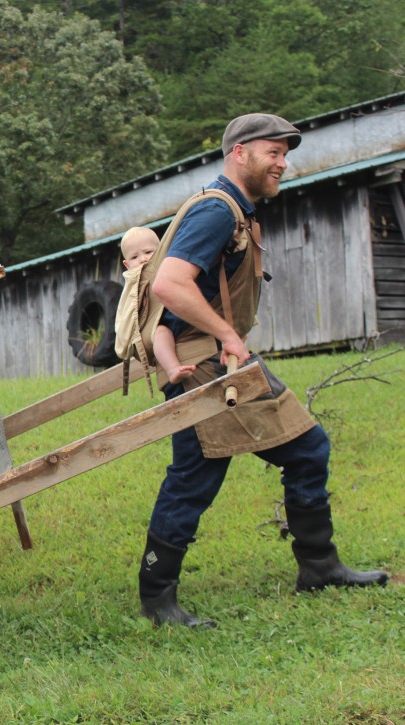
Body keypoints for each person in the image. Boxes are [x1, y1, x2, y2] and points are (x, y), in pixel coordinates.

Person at [138, 113, 389, 628]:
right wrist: (228, 334)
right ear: (239, 152)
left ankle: (319, 566)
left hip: (227, 363)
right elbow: (169, 285)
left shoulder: (239, 211)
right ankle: (157, 598)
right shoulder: (216, 212)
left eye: (283, 153)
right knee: (194, 479)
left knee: (307, 447)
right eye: (272, 153)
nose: (283, 163)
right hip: (203, 367)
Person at [119, 226, 196, 384]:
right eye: (135, 257)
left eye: (148, 252)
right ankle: (173, 369)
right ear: (127, 265)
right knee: (161, 333)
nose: (143, 259)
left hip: (177, 319)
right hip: (150, 329)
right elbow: (126, 313)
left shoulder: (167, 266)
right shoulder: (134, 281)